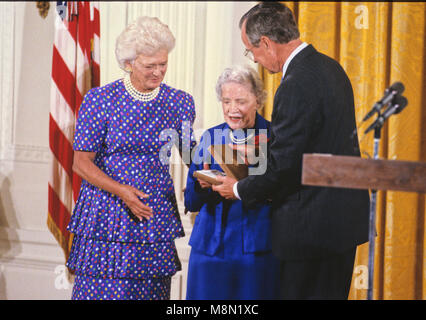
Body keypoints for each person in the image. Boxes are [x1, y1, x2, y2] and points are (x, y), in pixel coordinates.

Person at [212, 3, 370, 300]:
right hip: (341, 223)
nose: (255, 59)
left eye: (251, 51)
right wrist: (267, 146)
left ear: (267, 44)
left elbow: (285, 167)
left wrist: (239, 188)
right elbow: (318, 141)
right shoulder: (329, 67)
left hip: (310, 230)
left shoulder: (295, 83)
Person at [66, 16, 196, 300]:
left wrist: (239, 152)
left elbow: (193, 156)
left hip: (151, 215)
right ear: (128, 63)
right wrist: (122, 192)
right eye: (150, 65)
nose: (159, 72)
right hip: (107, 214)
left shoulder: (179, 102)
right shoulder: (100, 100)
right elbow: (81, 163)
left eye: (163, 64)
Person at [184, 65, 280, 300]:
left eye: (240, 101)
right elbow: (191, 202)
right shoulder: (209, 137)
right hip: (210, 249)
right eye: (226, 102)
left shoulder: (275, 136)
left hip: (257, 250)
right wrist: (203, 185)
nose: (232, 109)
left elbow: (284, 192)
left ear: (258, 99)